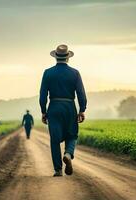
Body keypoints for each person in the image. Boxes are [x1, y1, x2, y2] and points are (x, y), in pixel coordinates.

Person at [39, 44, 87, 177]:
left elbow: (42, 95)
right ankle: (68, 154)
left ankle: (58, 170)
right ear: (68, 58)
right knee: (72, 135)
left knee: (55, 139)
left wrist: (43, 111)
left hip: (54, 107)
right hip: (69, 106)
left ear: (55, 57)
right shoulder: (75, 73)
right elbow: (81, 93)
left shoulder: (48, 73)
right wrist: (82, 109)